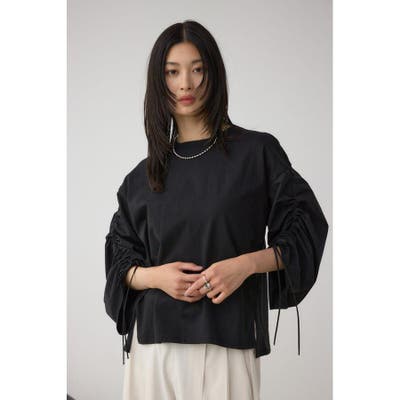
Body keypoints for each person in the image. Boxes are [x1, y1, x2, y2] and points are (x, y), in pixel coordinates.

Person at [104, 20, 329, 400]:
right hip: (154, 347)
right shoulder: (141, 177)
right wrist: (156, 277)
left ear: (214, 74)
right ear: (159, 81)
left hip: (229, 340)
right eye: (172, 72)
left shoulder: (256, 153)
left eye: (197, 69)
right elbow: (119, 260)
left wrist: (245, 265)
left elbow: (304, 227)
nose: (185, 84)